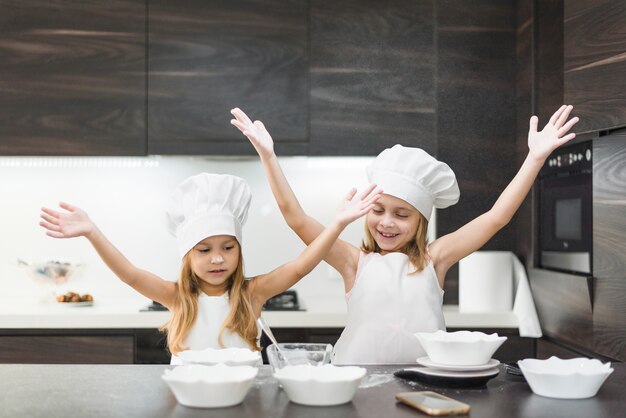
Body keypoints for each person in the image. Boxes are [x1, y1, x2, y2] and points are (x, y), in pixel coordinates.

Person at [230, 105, 579, 364]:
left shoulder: (436, 259)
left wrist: (534, 159)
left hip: (425, 384)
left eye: (402, 215)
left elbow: (496, 218)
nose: (386, 223)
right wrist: (268, 155)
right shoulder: (353, 262)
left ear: (421, 221)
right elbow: (295, 217)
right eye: (378, 210)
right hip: (354, 381)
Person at [39, 172, 381, 363]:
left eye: (228, 248)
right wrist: (91, 232)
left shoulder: (252, 293)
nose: (217, 258)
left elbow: (301, 265)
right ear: (188, 254)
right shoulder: (176, 297)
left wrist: (336, 225)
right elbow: (129, 273)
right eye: (204, 250)